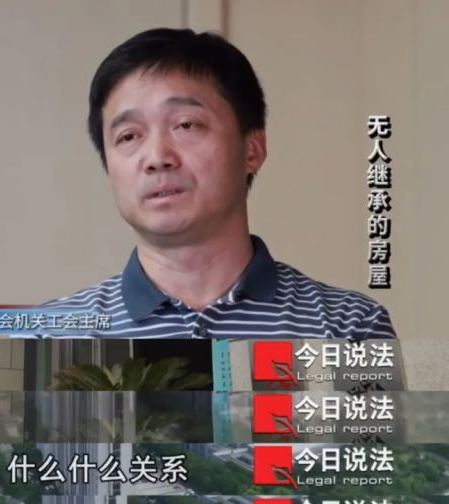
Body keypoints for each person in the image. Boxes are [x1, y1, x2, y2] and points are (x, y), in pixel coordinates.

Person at [46, 28, 395, 339]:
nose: (157, 157)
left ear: (252, 150)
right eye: (128, 136)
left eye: (186, 125)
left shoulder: (350, 327)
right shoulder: (49, 335)